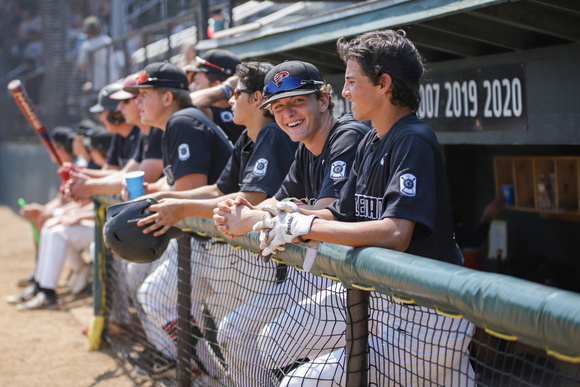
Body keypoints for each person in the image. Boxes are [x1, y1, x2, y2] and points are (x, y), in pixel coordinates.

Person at [252, 29, 474, 386]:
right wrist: (286, 215)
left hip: (430, 316)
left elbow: (396, 234)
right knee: (275, 345)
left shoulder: (414, 139)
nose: (344, 91)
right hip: (387, 301)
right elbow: (339, 213)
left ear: (383, 83)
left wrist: (306, 228)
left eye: (352, 81)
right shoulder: (372, 139)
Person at [211, 60, 370, 385]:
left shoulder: (347, 136)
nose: (288, 114)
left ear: (323, 100)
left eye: (298, 101)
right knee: (232, 332)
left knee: (276, 346)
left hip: (366, 285)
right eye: (279, 106)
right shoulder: (304, 148)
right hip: (321, 275)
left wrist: (252, 218)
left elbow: (326, 212)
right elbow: (277, 201)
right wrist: (241, 207)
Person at [118, 61, 233, 372]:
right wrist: (153, 191)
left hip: (230, 245)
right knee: (224, 335)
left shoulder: (182, 122)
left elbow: (191, 190)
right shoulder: (177, 123)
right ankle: (200, 374)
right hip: (211, 241)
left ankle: (196, 372)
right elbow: (180, 186)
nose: (137, 102)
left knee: (236, 340)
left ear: (167, 98)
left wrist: (152, 197)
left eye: (143, 95)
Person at [7, 126, 113, 309]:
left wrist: (63, 214)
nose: (78, 144)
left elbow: (100, 204)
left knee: (55, 230)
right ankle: (40, 286)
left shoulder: (99, 168)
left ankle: (47, 291)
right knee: (51, 226)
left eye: (84, 141)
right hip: (93, 222)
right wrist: (51, 212)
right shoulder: (90, 166)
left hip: (104, 226)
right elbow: (74, 202)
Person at [65, 74, 164, 201]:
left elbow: (142, 180)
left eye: (126, 101)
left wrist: (89, 186)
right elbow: (125, 174)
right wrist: (81, 175)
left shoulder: (156, 130)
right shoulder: (142, 134)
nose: (120, 107)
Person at [186, 49, 246, 144]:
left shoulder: (240, 116)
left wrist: (226, 88)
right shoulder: (214, 112)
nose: (192, 89)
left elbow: (190, 103)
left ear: (216, 85)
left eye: (197, 82)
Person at [76, 16, 112, 92]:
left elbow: (81, 66)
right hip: (112, 77)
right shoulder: (107, 40)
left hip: (97, 83)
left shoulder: (86, 45)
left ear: (87, 31)